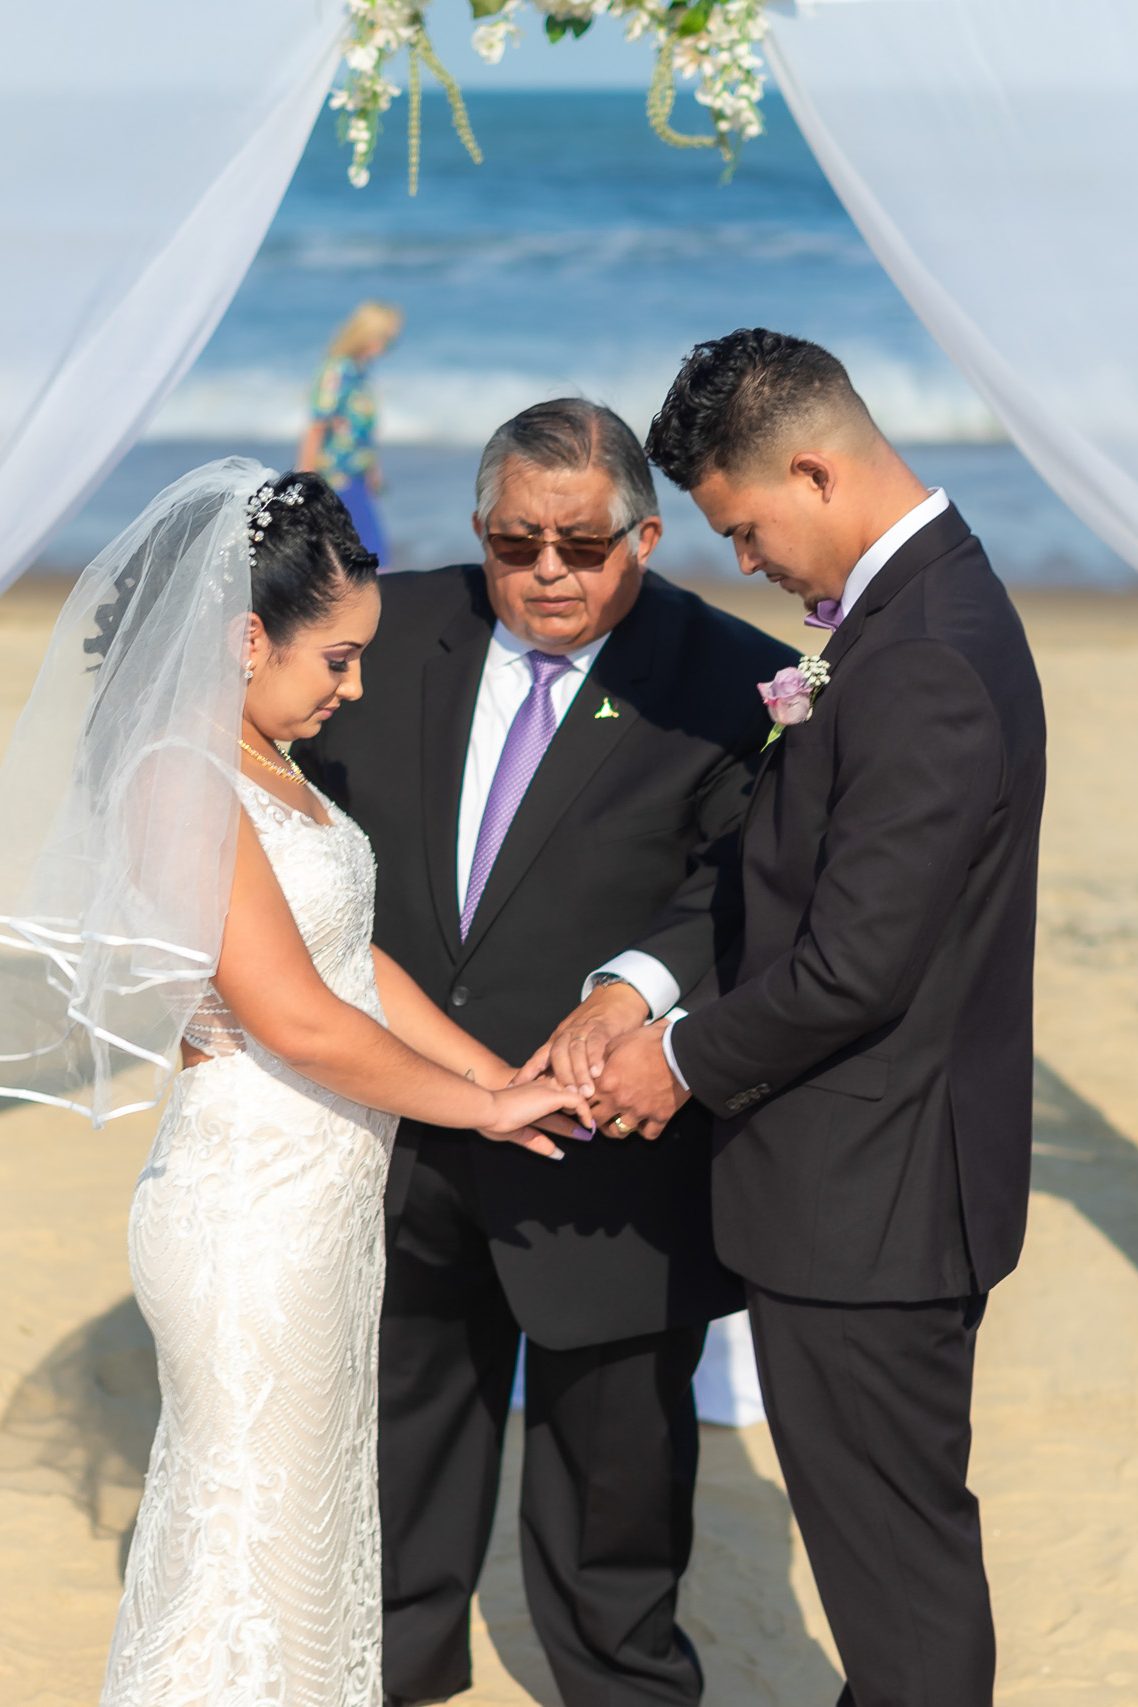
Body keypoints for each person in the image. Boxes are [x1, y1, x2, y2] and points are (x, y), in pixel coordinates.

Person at [0, 460, 586, 1707]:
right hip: (245, 1224)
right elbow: (295, 1018)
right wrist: (480, 1111)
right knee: (239, 1548)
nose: (354, 688)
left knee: (302, 1539)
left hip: (316, 1220)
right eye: (336, 659)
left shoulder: (262, 761)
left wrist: (498, 1072)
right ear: (245, 637)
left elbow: (350, 957)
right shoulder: (181, 774)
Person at [295, 398, 796, 1707]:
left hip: (602, 1143)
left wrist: (630, 991)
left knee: (615, 1482)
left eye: (582, 543)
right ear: (479, 527)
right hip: (400, 1128)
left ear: (642, 532)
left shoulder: (728, 679)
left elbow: (751, 882)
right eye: (517, 542)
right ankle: (400, 1671)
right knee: (396, 1449)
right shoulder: (380, 631)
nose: (549, 572)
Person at [574, 330, 1047, 1707]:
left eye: (743, 527)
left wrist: (672, 1059)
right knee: (885, 1563)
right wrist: (643, 982)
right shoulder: (912, 616)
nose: (744, 565)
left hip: (872, 1199)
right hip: (870, 1181)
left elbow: (854, 967)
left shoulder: (924, 658)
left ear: (812, 467)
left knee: (897, 1588)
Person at [298, 300, 403, 567]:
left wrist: (372, 471)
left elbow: (359, 433)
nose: (386, 349)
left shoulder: (359, 372)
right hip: (334, 477)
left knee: (364, 551)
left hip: (357, 475)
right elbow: (317, 426)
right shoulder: (336, 371)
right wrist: (306, 477)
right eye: (386, 340)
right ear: (366, 336)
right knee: (366, 551)